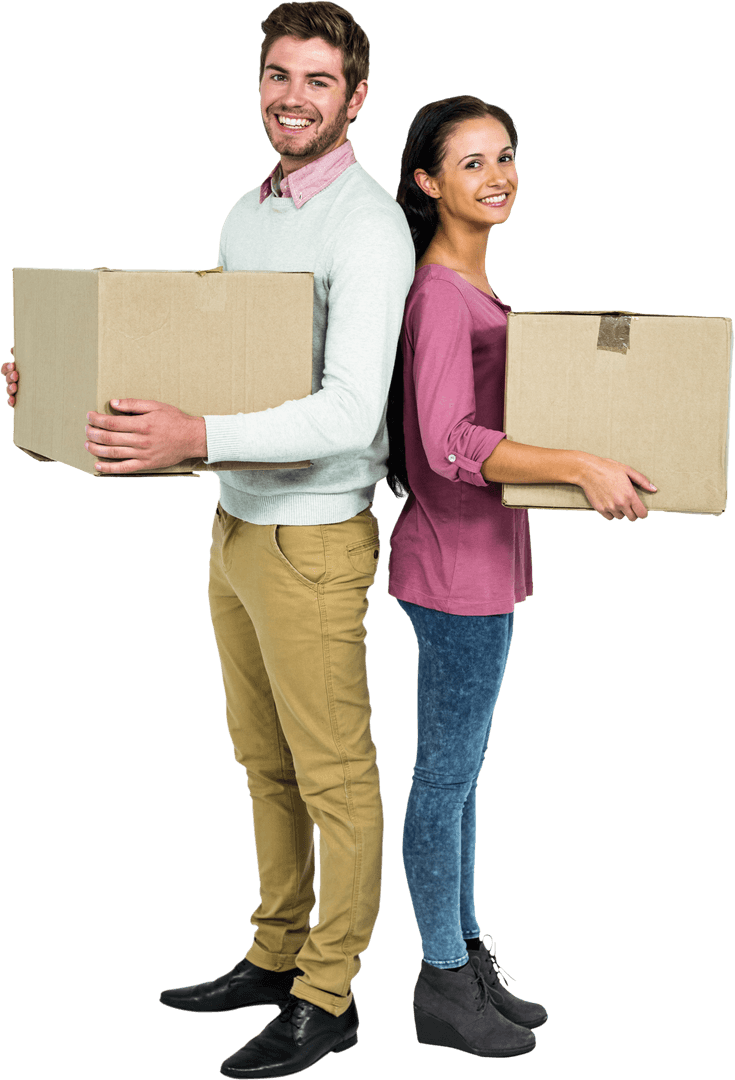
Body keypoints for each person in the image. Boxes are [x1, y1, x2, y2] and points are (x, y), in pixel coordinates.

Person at [5, 4, 414, 1078]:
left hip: (314, 542)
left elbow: (350, 413)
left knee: (335, 778)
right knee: (261, 761)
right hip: (234, 527)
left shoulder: (368, 228)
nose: (293, 95)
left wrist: (198, 433)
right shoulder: (248, 212)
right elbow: (214, 367)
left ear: (356, 96)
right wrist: (51, 388)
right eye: (279, 74)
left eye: (318, 80)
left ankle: (329, 997)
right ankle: (277, 953)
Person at [384, 95, 657, 1060]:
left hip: (487, 569)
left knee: (461, 784)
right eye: (470, 163)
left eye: (505, 157)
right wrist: (577, 465)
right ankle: (439, 983)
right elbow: (446, 443)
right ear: (425, 182)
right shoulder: (436, 297)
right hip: (452, 571)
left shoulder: (479, 293)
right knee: (442, 782)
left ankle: (462, 953)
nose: (496, 175)